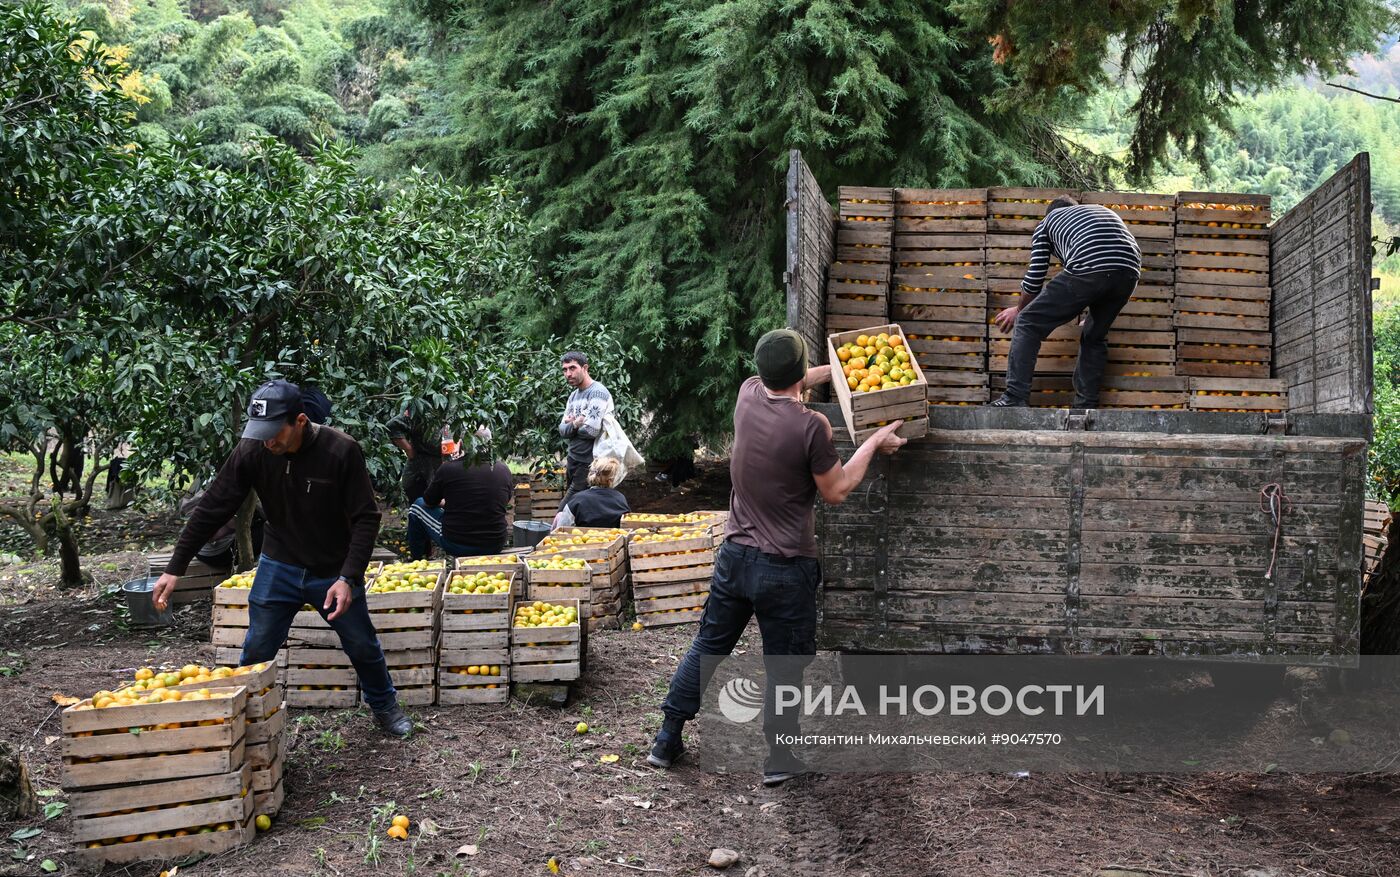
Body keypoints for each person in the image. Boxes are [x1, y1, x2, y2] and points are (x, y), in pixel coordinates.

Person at [647, 329, 906, 786]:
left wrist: (840, 370)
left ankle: (667, 738)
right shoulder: (812, 427)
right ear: (799, 372)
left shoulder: (747, 395)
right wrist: (874, 442)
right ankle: (780, 757)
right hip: (785, 567)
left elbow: (796, 380)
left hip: (734, 558)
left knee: (708, 646)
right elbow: (837, 490)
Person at [152, 379, 411, 738]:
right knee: (257, 646)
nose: (267, 441)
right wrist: (175, 567)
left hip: (331, 567)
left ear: (300, 421)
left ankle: (385, 707)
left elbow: (366, 517)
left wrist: (348, 577)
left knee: (361, 643)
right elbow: (213, 505)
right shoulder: (253, 449)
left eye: (274, 433)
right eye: (260, 433)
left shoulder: (340, 450)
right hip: (280, 563)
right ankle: (243, 720)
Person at [990, 195, 1142, 409]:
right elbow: (1105, 267)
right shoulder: (1096, 213)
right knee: (1094, 336)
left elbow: (1035, 278)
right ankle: (1085, 406)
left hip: (1091, 266)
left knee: (1027, 323)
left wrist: (1019, 309)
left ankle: (1014, 396)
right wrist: (1091, 313)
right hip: (1130, 271)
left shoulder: (1047, 222)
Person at [406, 428, 514, 559]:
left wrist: (448, 502)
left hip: (457, 544)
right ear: (491, 444)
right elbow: (503, 501)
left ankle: (417, 560)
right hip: (495, 543)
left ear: (462, 444)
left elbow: (428, 502)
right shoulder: (503, 469)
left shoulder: (448, 468)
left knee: (417, 506)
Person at [558, 351, 612, 506]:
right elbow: (562, 430)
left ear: (585, 368)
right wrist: (576, 424)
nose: (568, 374)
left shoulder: (597, 393)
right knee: (577, 509)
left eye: (572, 368)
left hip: (589, 463)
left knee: (566, 508)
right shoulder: (573, 396)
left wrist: (572, 427)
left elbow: (591, 431)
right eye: (565, 370)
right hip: (573, 459)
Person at [387, 403, 443, 505]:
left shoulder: (455, 408)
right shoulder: (421, 409)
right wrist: (408, 449)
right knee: (414, 494)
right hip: (421, 460)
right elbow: (392, 425)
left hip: (444, 460)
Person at [555, 456, 630, 529]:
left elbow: (562, 529)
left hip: (583, 537)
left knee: (559, 516)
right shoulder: (620, 499)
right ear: (612, 479)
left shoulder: (577, 500)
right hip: (614, 537)